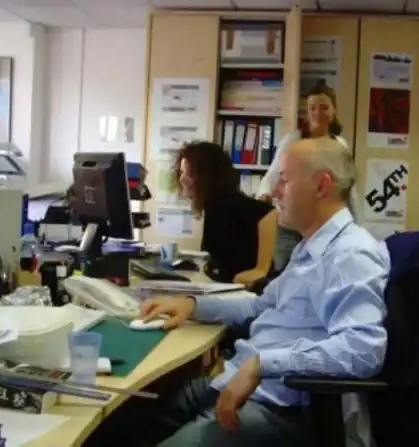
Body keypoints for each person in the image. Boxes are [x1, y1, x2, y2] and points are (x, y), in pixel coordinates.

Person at [138, 137, 389, 447]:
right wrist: (193, 305)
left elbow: (363, 350)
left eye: (284, 179)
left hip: (281, 407)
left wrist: (263, 364)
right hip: (243, 381)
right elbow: (259, 306)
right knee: (131, 422)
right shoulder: (310, 247)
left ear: (321, 186)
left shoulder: (350, 254)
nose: (274, 191)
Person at [255, 83, 358, 272]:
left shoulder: (340, 145)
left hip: (322, 226)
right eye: (312, 108)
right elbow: (272, 177)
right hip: (292, 227)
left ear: (333, 111)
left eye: (324, 107)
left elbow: (348, 188)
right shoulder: (293, 141)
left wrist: (356, 223)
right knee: (286, 274)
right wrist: (263, 199)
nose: (318, 113)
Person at [172, 141, 277, 285]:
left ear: (205, 175)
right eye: (181, 172)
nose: (181, 179)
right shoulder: (214, 205)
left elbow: (267, 212)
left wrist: (261, 269)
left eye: (186, 173)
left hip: (239, 288)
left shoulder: (225, 205)